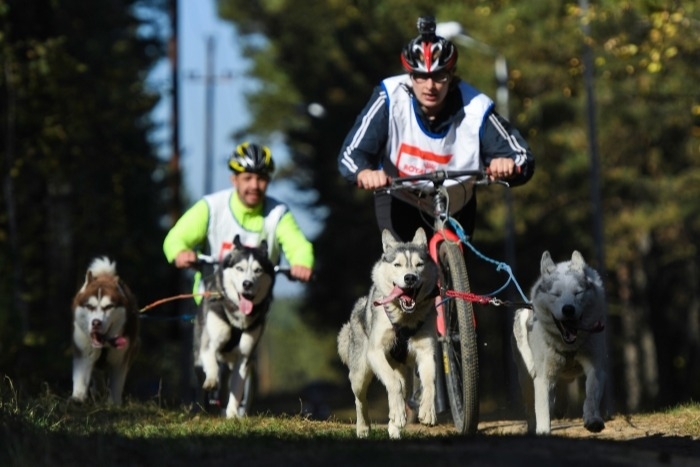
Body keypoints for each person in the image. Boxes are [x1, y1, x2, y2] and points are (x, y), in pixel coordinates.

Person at [338, 16, 535, 242]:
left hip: (456, 203)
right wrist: (364, 173)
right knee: (406, 269)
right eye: (421, 77)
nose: (429, 86)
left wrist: (507, 165)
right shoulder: (390, 98)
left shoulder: (476, 108)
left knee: (456, 271)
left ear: (451, 76)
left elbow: (522, 156)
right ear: (410, 76)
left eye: (439, 77)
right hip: (401, 199)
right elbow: (351, 154)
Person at [164, 142, 315, 292]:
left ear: (268, 181)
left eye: (261, 178)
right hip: (210, 304)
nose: (254, 185)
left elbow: (299, 246)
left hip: (254, 309)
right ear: (234, 180)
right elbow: (175, 239)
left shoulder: (278, 214)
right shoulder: (211, 207)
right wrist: (180, 252)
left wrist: (302, 263)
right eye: (247, 178)